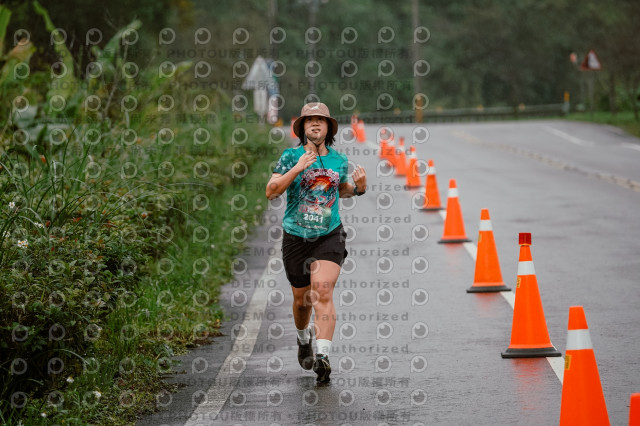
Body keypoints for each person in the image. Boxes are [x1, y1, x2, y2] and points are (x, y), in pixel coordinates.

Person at [265, 102, 367, 383]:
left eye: (320, 120)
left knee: (322, 290)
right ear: (302, 127)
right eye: (309, 120)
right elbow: (271, 192)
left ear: (328, 128)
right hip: (296, 238)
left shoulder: (339, 161)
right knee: (301, 301)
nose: (315, 124)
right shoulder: (289, 157)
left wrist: (359, 188)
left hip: (329, 234)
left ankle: (323, 356)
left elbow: (343, 190)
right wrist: (297, 168)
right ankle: (303, 338)